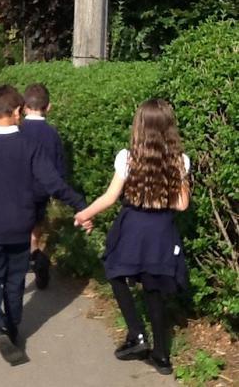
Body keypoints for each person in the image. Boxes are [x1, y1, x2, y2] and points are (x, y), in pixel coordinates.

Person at [0, 85, 87, 365]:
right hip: (21, 224)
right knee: (15, 279)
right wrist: (81, 205)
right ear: (17, 112)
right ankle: (13, 328)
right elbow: (53, 182)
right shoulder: (29, 146)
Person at [74, 99, 191, 376]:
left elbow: (110, 197)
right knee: (153, 289)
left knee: (115, 270)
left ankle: (136, 333)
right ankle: (162, 356)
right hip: (161, 231)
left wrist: (84, 214)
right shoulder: (180, 161)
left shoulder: (127, 158)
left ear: (139, 126)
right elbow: (182, 204)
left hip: (133, 226)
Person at [20, 83, 66, 290]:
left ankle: (30, 256)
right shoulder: (52, 134)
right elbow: (58, 164)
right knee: (36, 222)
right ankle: (35, 251)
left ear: (23, 107)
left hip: (19, 188)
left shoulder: (18, 131)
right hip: (41, 189)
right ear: (49, 107)